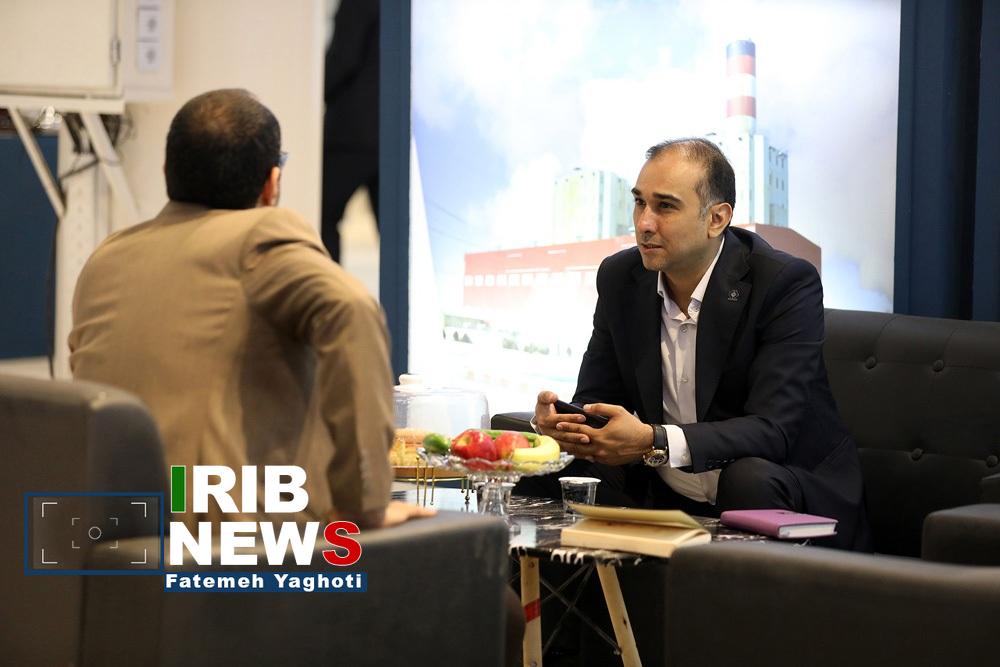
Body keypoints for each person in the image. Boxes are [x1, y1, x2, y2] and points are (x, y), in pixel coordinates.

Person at [68, 88, 430, 530]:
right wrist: (364, 504)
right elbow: (352, 308)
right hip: (231, 540)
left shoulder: (107, 258)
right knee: (465, 562)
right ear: (272, 183)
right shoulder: (259, 240)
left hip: (110, 532)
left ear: (167, 171)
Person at [527, 137, 870, 551]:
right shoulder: (621, 278)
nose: (644, 223)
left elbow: (773, 429)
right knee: (546, 464)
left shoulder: (782, 282)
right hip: (669, 491)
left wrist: (654, 440)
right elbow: (597, 397)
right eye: (640, 203)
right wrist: (567, 426)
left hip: (782, 485)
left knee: (747, 478)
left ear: (717, 219)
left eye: (665, 207)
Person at [321, 0, 380, 262]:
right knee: (396, 227)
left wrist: (316, 90)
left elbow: (343, 58)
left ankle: (328, 286)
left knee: (322, 215)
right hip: (392, 131)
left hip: (351, 131)